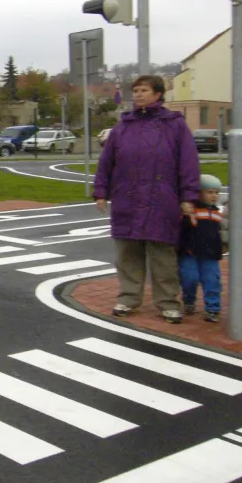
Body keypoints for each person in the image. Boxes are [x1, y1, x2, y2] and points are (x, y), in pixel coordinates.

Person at [93, 75, 200, 323]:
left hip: (161, 200)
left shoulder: (174, 125)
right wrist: (101, 191)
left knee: (162, 255)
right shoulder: (123, 127)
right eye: (136, 90)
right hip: (127, 200)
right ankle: (129, 297)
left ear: (158, 94)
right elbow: (106, 162)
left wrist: (188, 197)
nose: (139, 94)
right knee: (128, 254)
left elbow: (188, 164)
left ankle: (167, 302)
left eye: (144, 90)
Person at [178, 174, 227, 323]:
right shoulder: (191, 211)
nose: (214, 196)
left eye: (216, 193)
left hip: (210, 254)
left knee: (212, 280)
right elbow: (183, 229)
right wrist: (187, 216)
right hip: (190, 252)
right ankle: (189, 298)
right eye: (209, 192)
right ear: (199, 193)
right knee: (189, 278)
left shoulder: (217, 213)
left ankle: (213, 308)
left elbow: (221, 232)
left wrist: (223, 245)